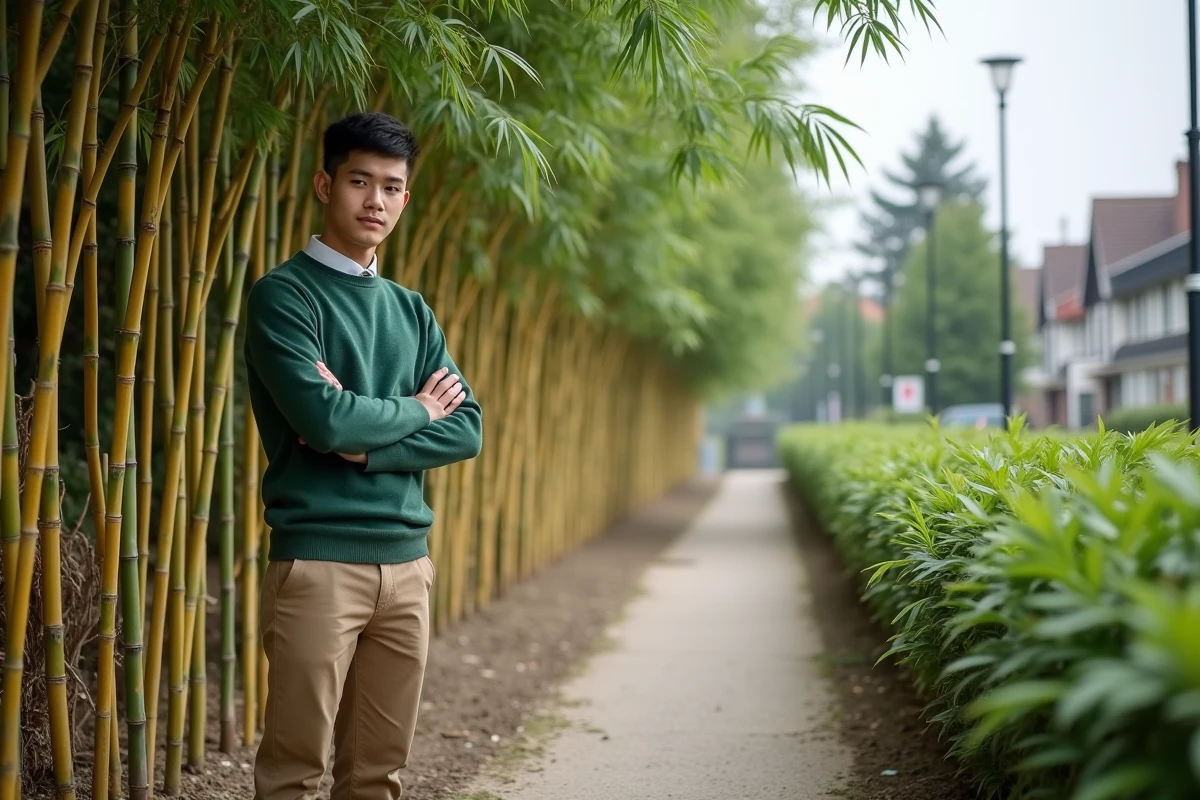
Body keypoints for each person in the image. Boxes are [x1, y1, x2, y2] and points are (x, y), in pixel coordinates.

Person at [243, 111, 483, 800]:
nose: (374, 200)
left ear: (406, 198)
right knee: (294, 770)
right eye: (358, 181)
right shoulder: (283, 296)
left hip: (408, 566)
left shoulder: (412, 311)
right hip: (317, 563)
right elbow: (322, 416)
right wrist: (417, 410)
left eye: (391, 186)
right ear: (325, 184)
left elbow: (467, 429)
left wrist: (362, 446)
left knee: (379, 775)